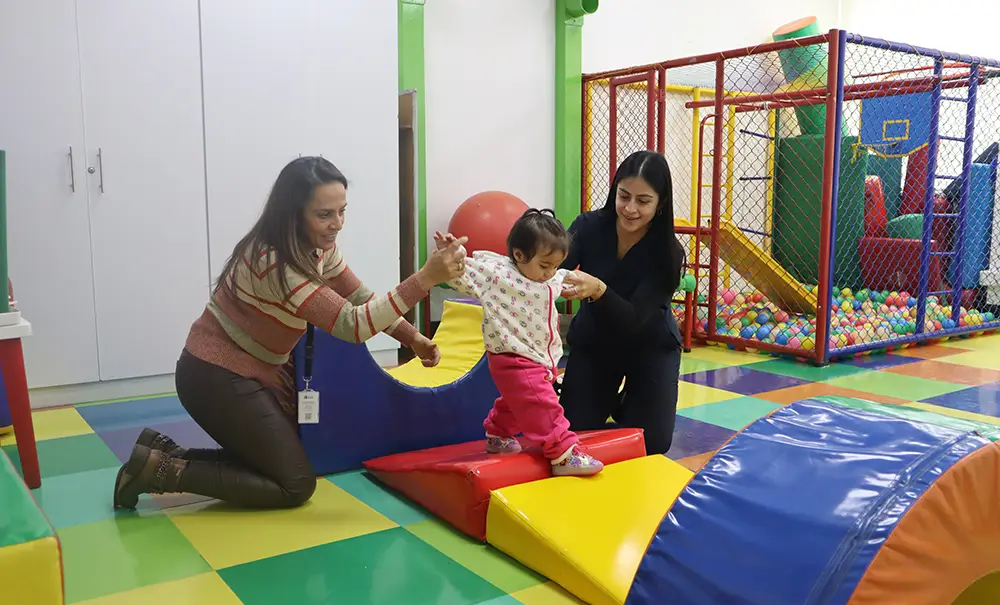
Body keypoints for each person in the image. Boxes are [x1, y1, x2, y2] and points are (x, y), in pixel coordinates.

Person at [112, 157, 468, 510]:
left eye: (342, 210)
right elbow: (353, 325)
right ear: (293, 213)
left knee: (284, 457)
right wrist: (425, 279)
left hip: (246, 370)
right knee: (294, 484)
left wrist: (412, 338)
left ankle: (164, 455)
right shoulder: (279, 264)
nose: (337, 224)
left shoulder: (314, 248)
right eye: (324, 214)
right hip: (214, 375)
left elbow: (357, 295)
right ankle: (158, 473)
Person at [434, 208, 604, 476]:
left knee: (519, 401)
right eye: (545, 265)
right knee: (542, 405)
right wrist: (448, 256)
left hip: (541, 356)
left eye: (555, 266)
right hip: (511, 356)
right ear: (519, 255)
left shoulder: (550, 275)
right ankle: (562, 454)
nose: (550, 273)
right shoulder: (497, 276)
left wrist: (586, 285)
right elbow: (459, 274)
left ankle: (498, 434)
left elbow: (565, 279)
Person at [558, 150, 685, 456]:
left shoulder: (668, 253)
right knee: (572, 431)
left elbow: (634, 318)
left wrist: (598, 288)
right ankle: (604, 396)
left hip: (650, 346)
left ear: (660, 204)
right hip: (595, 343)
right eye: (623, 195)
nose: (629, 208)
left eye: (643, 201)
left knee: (652, 443)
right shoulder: (588, 226)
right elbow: (551, 264)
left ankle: (632, 400)